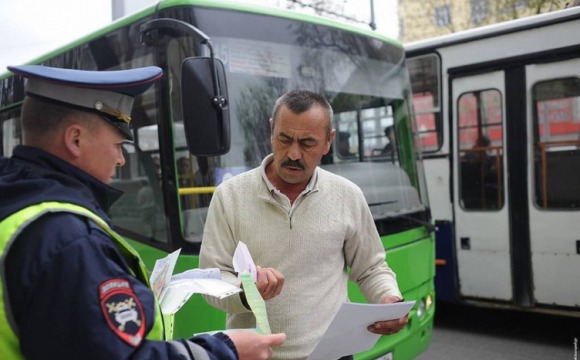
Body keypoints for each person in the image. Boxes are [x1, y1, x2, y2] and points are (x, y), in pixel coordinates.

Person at [0, 65, 285, 360]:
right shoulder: (68, 238)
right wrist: (224, 350)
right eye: (117, 145)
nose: (121, 159)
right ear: (75, 140)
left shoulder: (17, 206)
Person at [199, 90, 407, 360]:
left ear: (328, 141)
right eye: (285, 139)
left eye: (307, 143)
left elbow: (370, 268)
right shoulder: (230, 196)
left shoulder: (348, 195)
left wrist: (388, 300)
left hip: (333, 355)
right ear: (271, 130)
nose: (293, 154)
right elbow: (211, 280)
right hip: (255, 355)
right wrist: (246, 291)